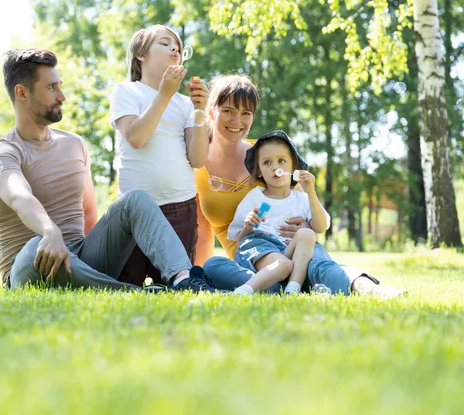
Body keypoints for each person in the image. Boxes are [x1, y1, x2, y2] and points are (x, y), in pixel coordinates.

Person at [0, 48, 215, 292]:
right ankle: (135, 294)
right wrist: (49, 231)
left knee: (134, 199)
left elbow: (89, 213)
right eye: (51, 88)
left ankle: (183, 279)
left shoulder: (74, 144)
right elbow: (19, 197)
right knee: (34, 246)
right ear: (22, 93)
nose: (62, 96)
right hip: (29, 264)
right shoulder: (4, 152)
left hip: (81, 258)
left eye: (60, 86)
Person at [195, 74, 405, 297]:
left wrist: (305, 225)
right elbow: (202, 234)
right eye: (228, 111)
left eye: (245, 113)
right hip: (252, 259)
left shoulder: (267, 151)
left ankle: (371, 289)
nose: (237, 121)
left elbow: (299, 207)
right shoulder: (197, 163)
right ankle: (291, 283)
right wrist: (190, 276)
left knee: (321, 265)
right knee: (212, 266)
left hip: (295, 248)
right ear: (211, 112)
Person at [109, 25, 210, 286]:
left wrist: (200, 111)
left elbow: (197, 159)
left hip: (181, 208)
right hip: (136, 212)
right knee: (127, 284)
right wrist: (164, 94)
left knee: (173, 284)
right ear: (141, 54)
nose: (174, 48)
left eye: (177, 45)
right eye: (165, 43)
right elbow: (136, 137)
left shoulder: (185, 104)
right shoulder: (127, 92)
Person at [228, 130, 329, 295]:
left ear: (293, 168)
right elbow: (241, 242)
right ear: (259, 170)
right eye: (267, 162)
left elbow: (321, 227)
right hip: (264, 251)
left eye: (281, 161)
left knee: (308, 234)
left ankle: (292, 288)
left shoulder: (303, 199)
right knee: (282, 263)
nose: (275, 167)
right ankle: (245, 290)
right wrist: (248, 225)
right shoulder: (254, 197)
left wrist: (311, 192)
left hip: (291, 254)